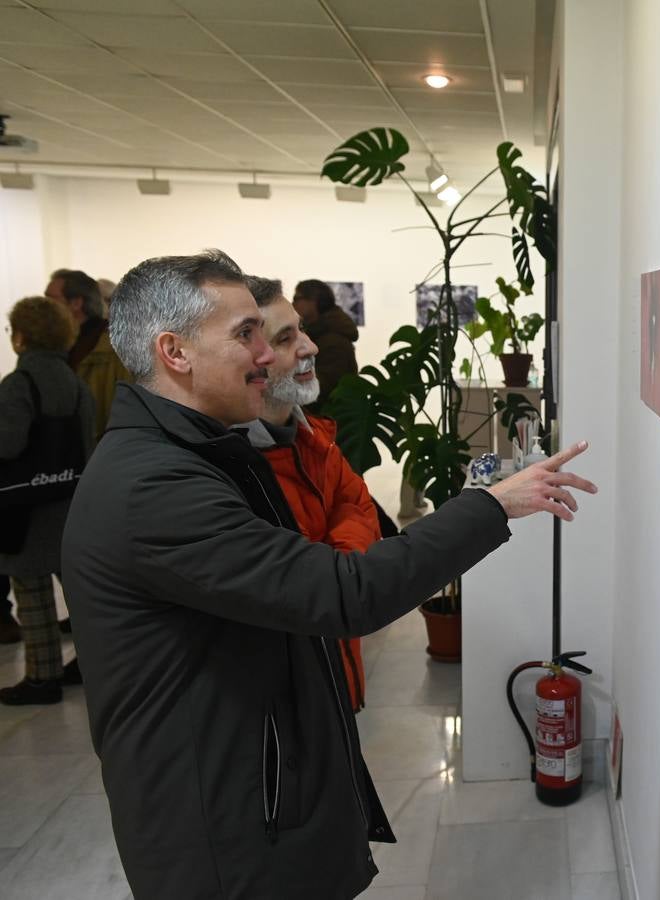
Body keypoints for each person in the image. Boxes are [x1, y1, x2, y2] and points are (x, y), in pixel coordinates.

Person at [62, 250, 596, 899]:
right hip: (224, 839)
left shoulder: (208, 453)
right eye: (245, 335)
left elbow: (345, 537)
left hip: (258, 804)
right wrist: (491, 504)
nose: (268, 356)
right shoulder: (153, 487)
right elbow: (345, 591)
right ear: (174, 351)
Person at [242, 274, 370, 711]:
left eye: (302, 329)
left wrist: (337, 571)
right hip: (283, 703)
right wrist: (338, 577)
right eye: (285, 337)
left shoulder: (317, 440)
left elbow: (357, 508)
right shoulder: (225, 464)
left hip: (336, 669)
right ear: (248, 356)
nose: (308, 347)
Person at [0, 297, 94, 705]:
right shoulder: (75, 382)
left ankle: (42, 676)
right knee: (79, 592)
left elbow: (8, 444)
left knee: (32, 594)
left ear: (22, 337)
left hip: (26, 506)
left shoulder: (19, 385)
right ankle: (89, 664)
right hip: (69, 501)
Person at [46, 268, 131, 438]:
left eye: (50, 299)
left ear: (76, 303)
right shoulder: (54, 346)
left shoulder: (116, 347)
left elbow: (127, 411)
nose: (44, 306)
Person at [292, 278, 358, 408]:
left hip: (328, 422)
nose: (292, 304)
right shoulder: (320, 334)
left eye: (297, 298)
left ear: (313, 301)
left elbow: (322, 388)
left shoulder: (334, 341)